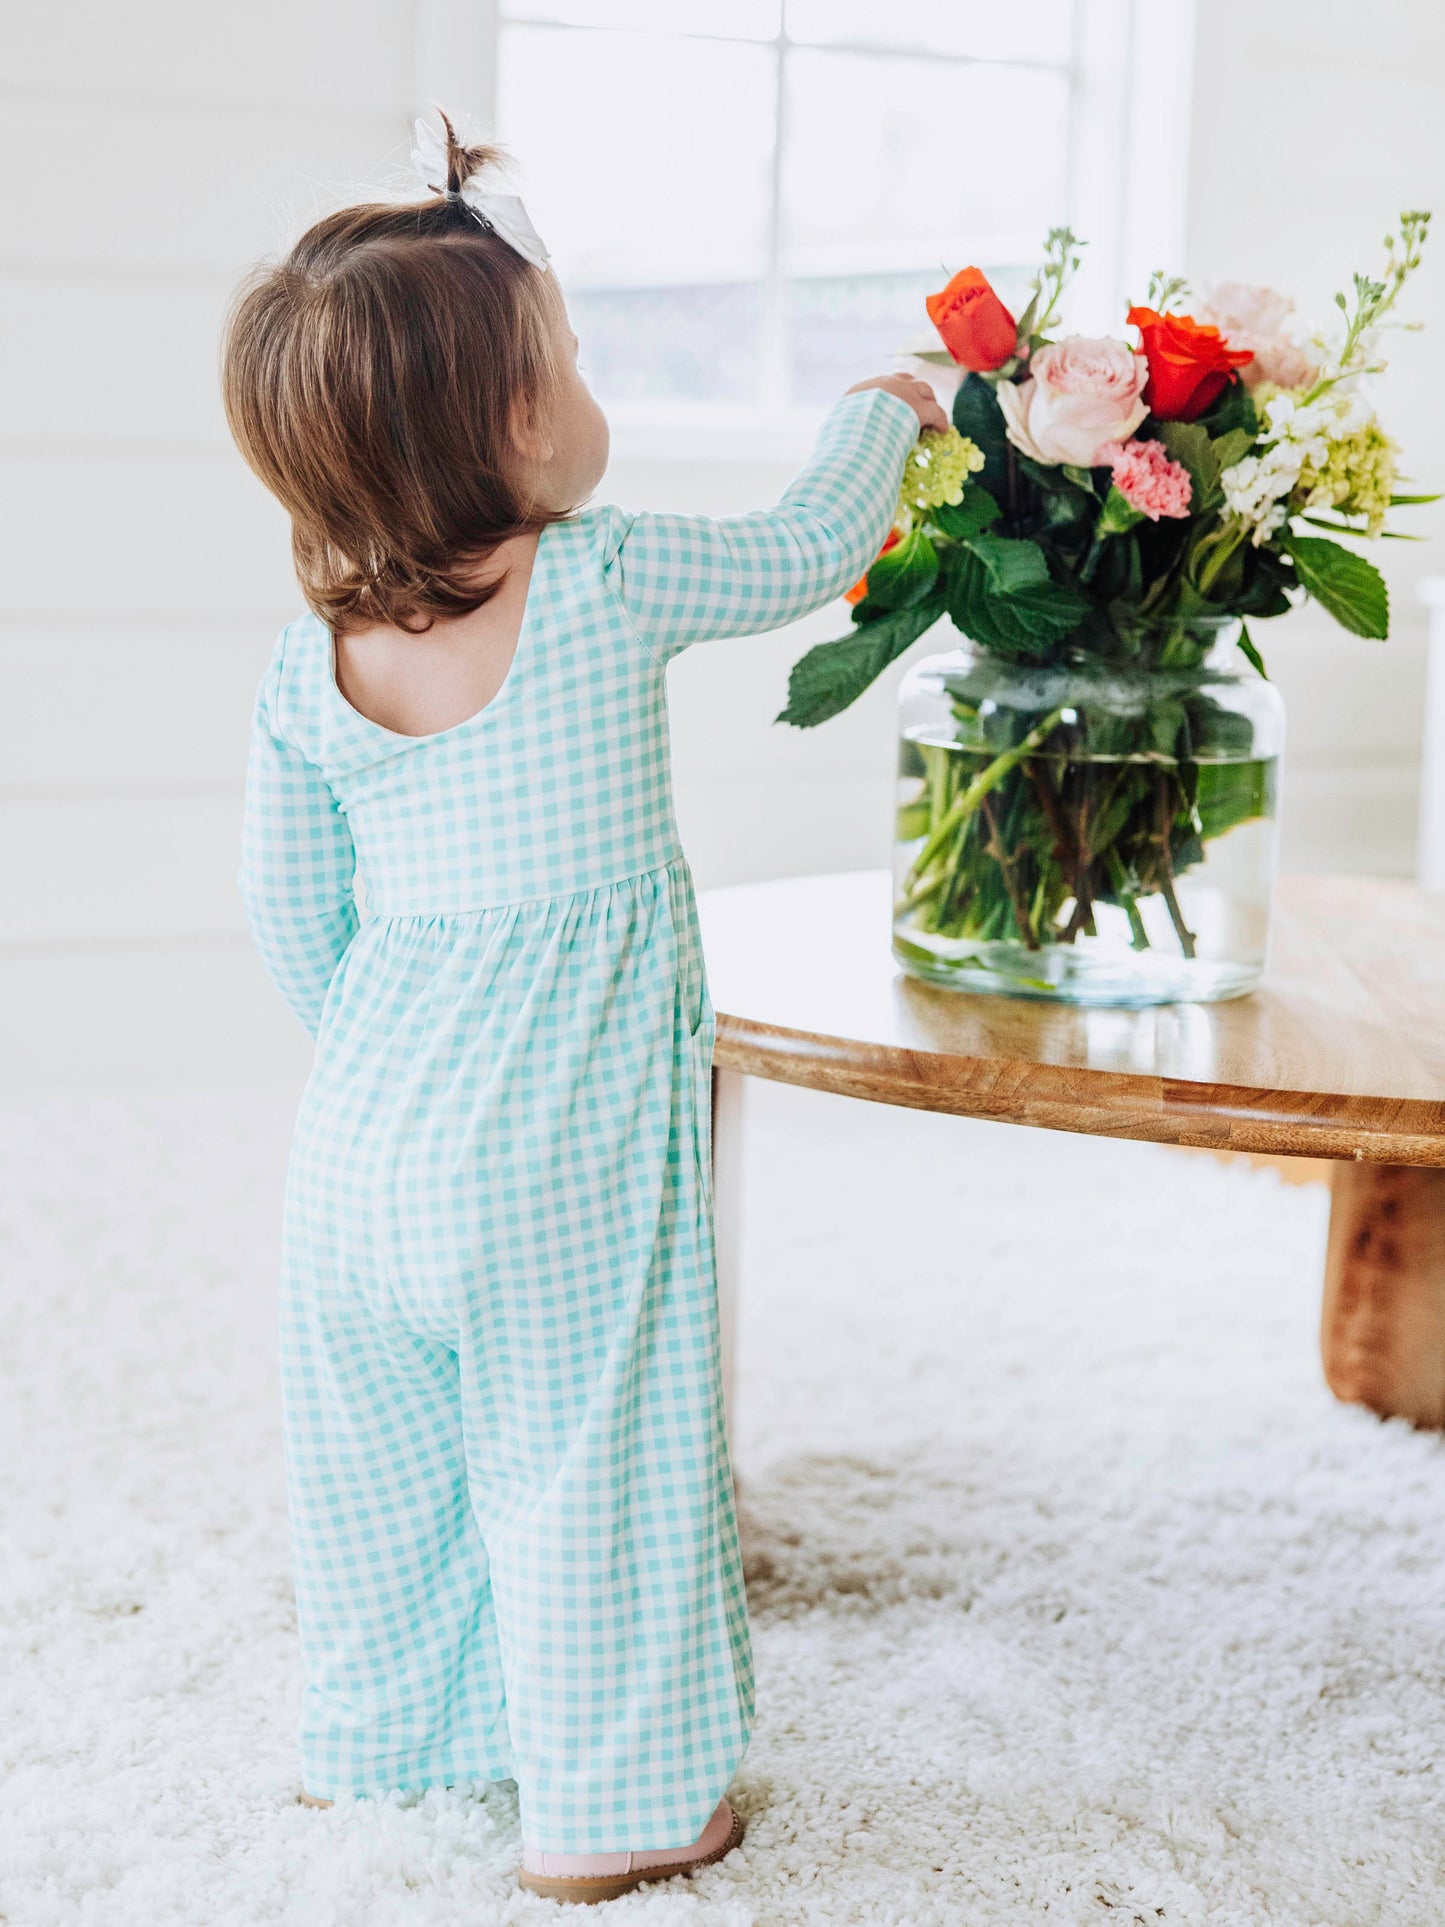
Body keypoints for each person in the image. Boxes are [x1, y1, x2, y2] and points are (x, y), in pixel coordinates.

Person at [223, 110, 943, 1905]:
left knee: (380, 1471)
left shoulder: (309, 671)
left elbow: (289, 918)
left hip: (359, 1160)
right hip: (550, 1165)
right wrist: (887, 406)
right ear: (520, 424)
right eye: (573, 359)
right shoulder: (607, 580)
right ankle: (617, 1804)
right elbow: (799, 546)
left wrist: (402, 1065)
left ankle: (388, 1747)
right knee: (593, 1458)